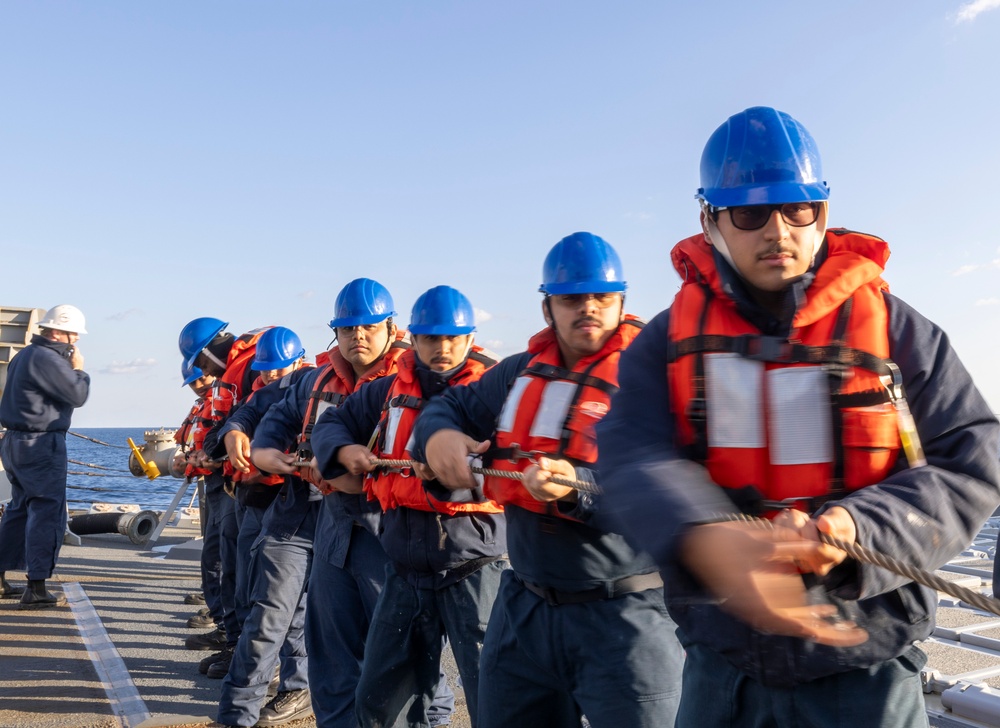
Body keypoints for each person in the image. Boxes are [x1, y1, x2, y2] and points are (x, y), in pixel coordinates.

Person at [595, 106, 1000, 728]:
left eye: (797, 210)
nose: (777, 231)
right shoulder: (667, 342)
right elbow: (629, 449)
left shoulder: (898, 332)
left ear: (822, 214)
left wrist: (858, 527)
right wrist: (703, 533)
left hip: (868, 669)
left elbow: (971, 457)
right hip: (722, 667)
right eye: (749, 214)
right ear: (709, 222)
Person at [413, 237, 684, 728]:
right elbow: (449, 406)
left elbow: (670, 487)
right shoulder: (520, 371)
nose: (588, 308)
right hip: (524, 609)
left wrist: (577, 488)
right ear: (547, 308)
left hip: (626, 616)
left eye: (602, 297)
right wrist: (439, 436)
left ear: (621, 302)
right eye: (572, 298)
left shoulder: (654, 374)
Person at [248, 278, 453, 728]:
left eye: (368, 327)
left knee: (409, 657)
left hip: (393, 535)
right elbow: (279, 415)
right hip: (334, 533)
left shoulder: (416, 380)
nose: (357, 336)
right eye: (347, 329)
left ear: (392, 328)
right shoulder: (318, 381)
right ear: (335, 334)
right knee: (331, 658)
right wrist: (265, 450)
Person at [311, 285, 505, 728]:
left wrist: (450, 474)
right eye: (431, 338)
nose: (443, 348)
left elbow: (509, 462)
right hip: (404, 566)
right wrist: (342, 450)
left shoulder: (491, 392)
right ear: (413, 340)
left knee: (493, 692)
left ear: (471, 340)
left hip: (472, 565)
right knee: (380, 698)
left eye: (453, 338)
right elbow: (334, 422)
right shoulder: (388, 391)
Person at [200, 326, 312, 682]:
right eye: (265, 369)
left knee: (284, 595)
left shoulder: (310, 386)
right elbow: (240, 417)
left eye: (280, 367)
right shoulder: (261, 393)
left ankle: (291, 677)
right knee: (245, 579)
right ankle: (247, 655)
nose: (272, 374)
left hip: (293, 501)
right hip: (253, 496)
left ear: (298, 361)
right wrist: (232, 433)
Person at [0, 305, 90, 609]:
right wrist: (78, 370)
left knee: (18, 510)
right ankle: (36, 587)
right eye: (73, 333)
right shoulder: (48, 358)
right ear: (57, 332)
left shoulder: (23, 355)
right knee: (47, 512)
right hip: (40, 445)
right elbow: (77, 395)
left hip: (13, 441)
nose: (76, 339)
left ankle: (0, 579)